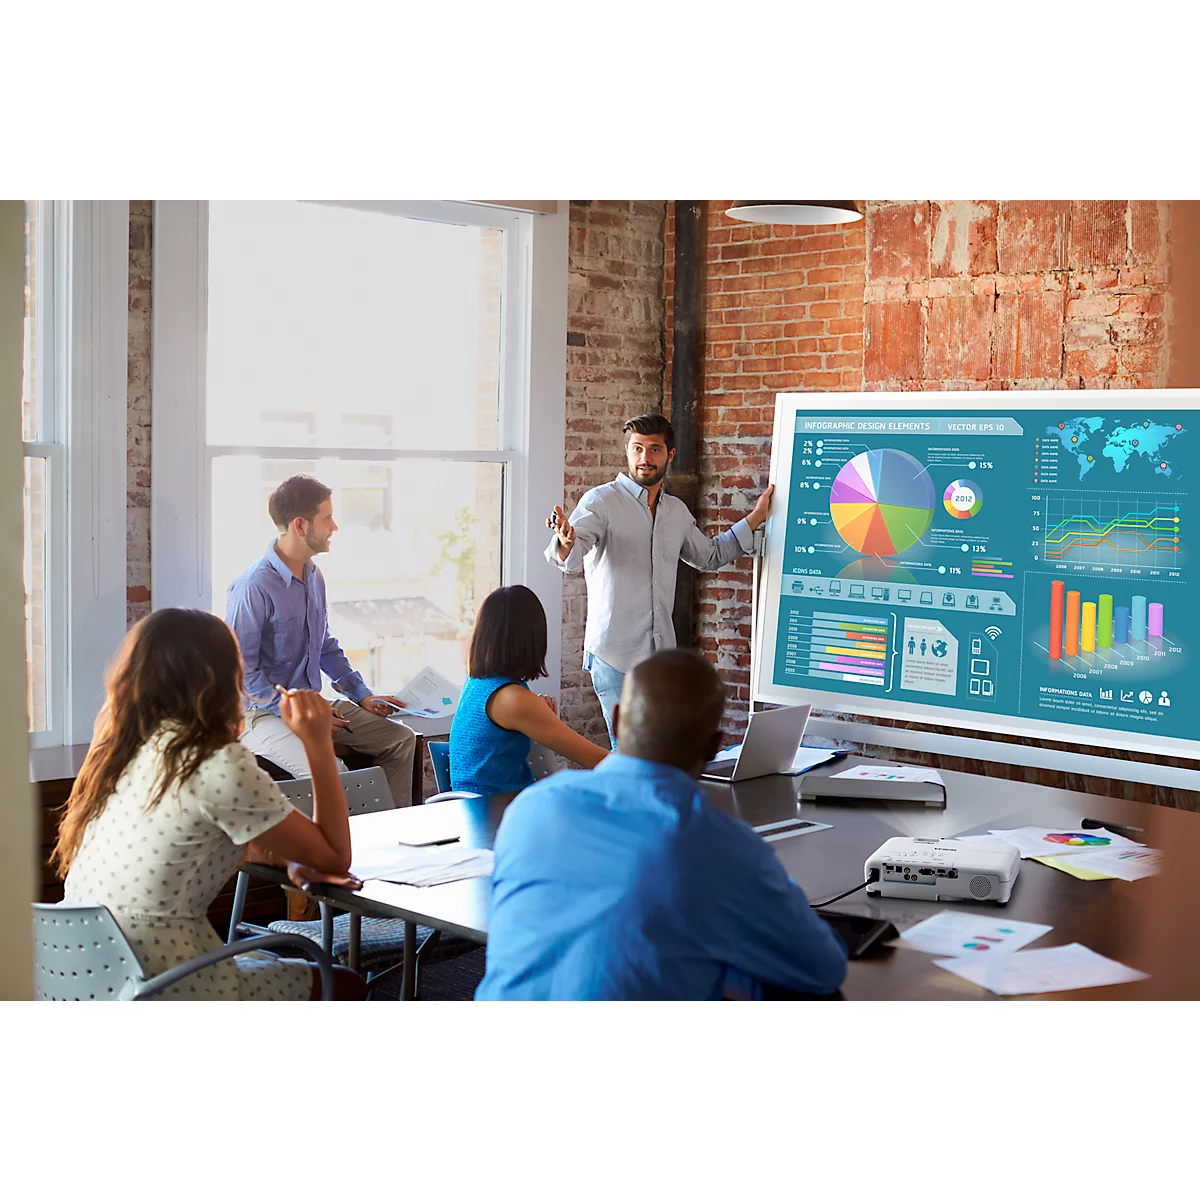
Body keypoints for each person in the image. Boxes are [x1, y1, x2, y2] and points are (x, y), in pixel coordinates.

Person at [476, 649, 849, 1000]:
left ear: (619, 719)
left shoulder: (533, 807)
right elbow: (823, 968)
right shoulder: (719, 847)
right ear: (714, 746)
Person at [55, 608, 366, 1000]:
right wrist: (317, 742)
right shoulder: (217, 763)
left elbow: (199, 840)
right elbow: (336, 858)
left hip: (83, 970)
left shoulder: (123, 753)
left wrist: (291, 857)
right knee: (346, 983)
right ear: (222, 678)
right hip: (164, 979)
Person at [546, 412, 773, 746]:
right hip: (615, 656)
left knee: (661, 748)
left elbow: (708, 556)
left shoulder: (676, 512)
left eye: (653, 450)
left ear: (669, 455)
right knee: (628, 751)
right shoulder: (601, 501)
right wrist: (566, 542)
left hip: (660, 657)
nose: (644, 458)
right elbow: (573, 551)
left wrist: (755, 518)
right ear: (627, 451)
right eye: (637, 449)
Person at [226, 474, 417, 805]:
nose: (335, 527)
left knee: (401, 740)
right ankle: (355, 851)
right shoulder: (253, 587)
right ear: (301, 526)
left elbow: (324, 645)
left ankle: (392, 833)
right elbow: (243, 674)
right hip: (261, 715)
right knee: (339, 774)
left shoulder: (313, 576)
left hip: (311, 704)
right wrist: (297, 712)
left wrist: (363, 695)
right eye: (327, 518)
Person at [449, 585, 607, 796]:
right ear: (532, 637)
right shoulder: (514, 699)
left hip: (470, 809)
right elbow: (594, 758)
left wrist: (541, 718)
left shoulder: (476, 683)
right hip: (495, 814)